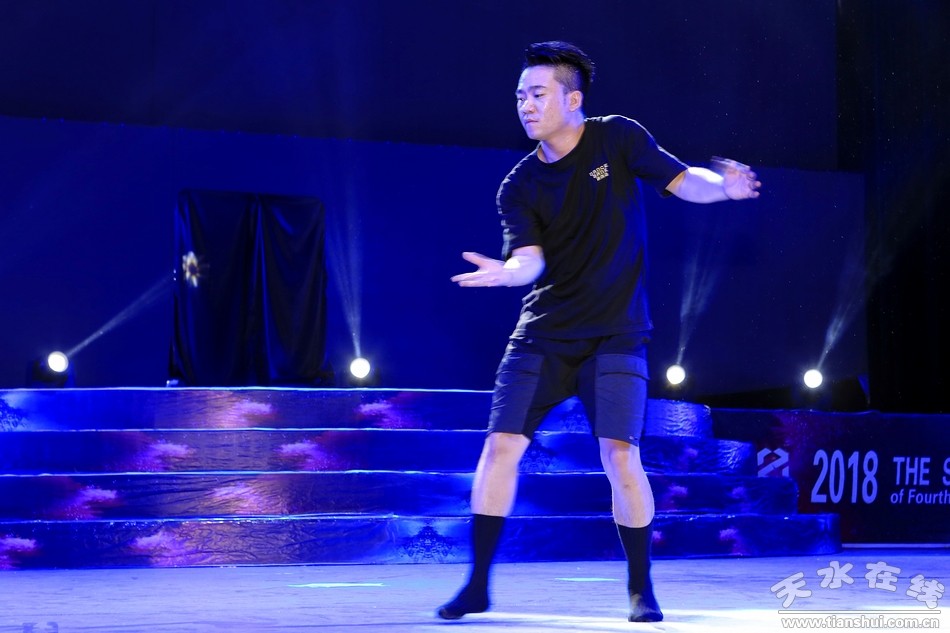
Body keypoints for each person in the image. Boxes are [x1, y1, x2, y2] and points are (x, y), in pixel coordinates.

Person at [440, 40, 761, 623]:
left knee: (620, 454)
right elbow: (529, 260)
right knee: (500, 447)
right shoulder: (519, 185)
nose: (526, 105)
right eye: (520, 96)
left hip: (616, 334)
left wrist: (724, 188)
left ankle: (641, 588)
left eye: (538, 94)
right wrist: (508, 273)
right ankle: (477, 585)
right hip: (542, 336)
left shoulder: (618, 137)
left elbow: (683, 179)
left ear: (573, 99)